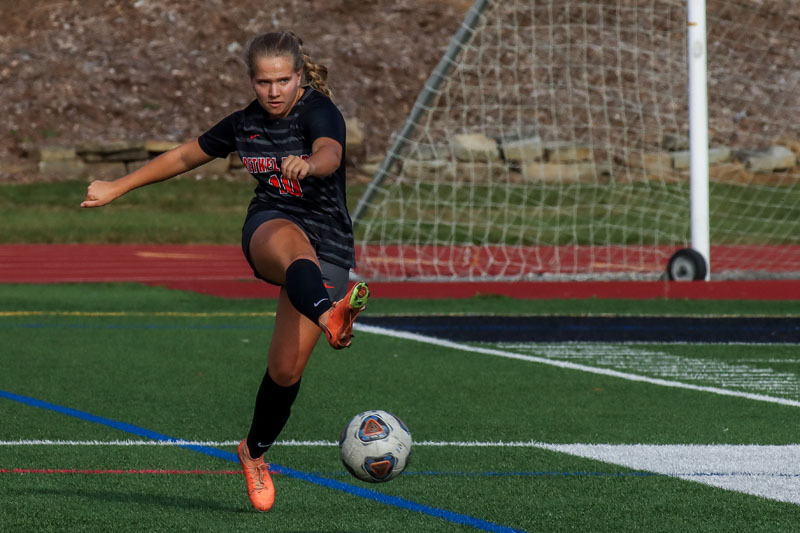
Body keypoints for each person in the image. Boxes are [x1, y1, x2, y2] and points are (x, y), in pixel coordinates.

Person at [81, 30, 369, 512]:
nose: (273, 91)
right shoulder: (244, 124)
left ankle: (253, 453)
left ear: (300, 76)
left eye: (282, 80)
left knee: (284, 370)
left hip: (331, 242)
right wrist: (116, 186)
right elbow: (183, 156)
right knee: (295, 250)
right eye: (263, 82)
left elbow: (331, 153)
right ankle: (329, 314)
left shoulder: (319, 111)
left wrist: (311, 165)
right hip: (270, 227)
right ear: (251, 81)